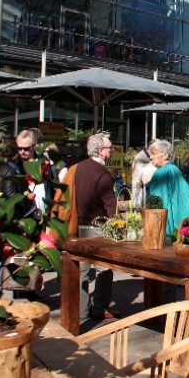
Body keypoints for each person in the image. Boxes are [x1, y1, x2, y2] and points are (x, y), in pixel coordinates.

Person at [73, 133, 118, 321]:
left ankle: (81, 312)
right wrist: (116, 223)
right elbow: (110, 204)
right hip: (97, 227)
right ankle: (99, 308)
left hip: (77, 225)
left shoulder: (76, 168)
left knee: (81, 270)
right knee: (104, 268)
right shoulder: (103, 174)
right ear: (101, 151)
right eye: (110, 148)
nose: (111, 151)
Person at [145, 139, 189, 235]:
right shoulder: (174, 169)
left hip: (163, 226)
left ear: (165, 155)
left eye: (154, 153)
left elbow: (155, 202)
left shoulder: (161, 173)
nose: (150, 157)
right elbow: (187, 197)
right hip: (175, 227)